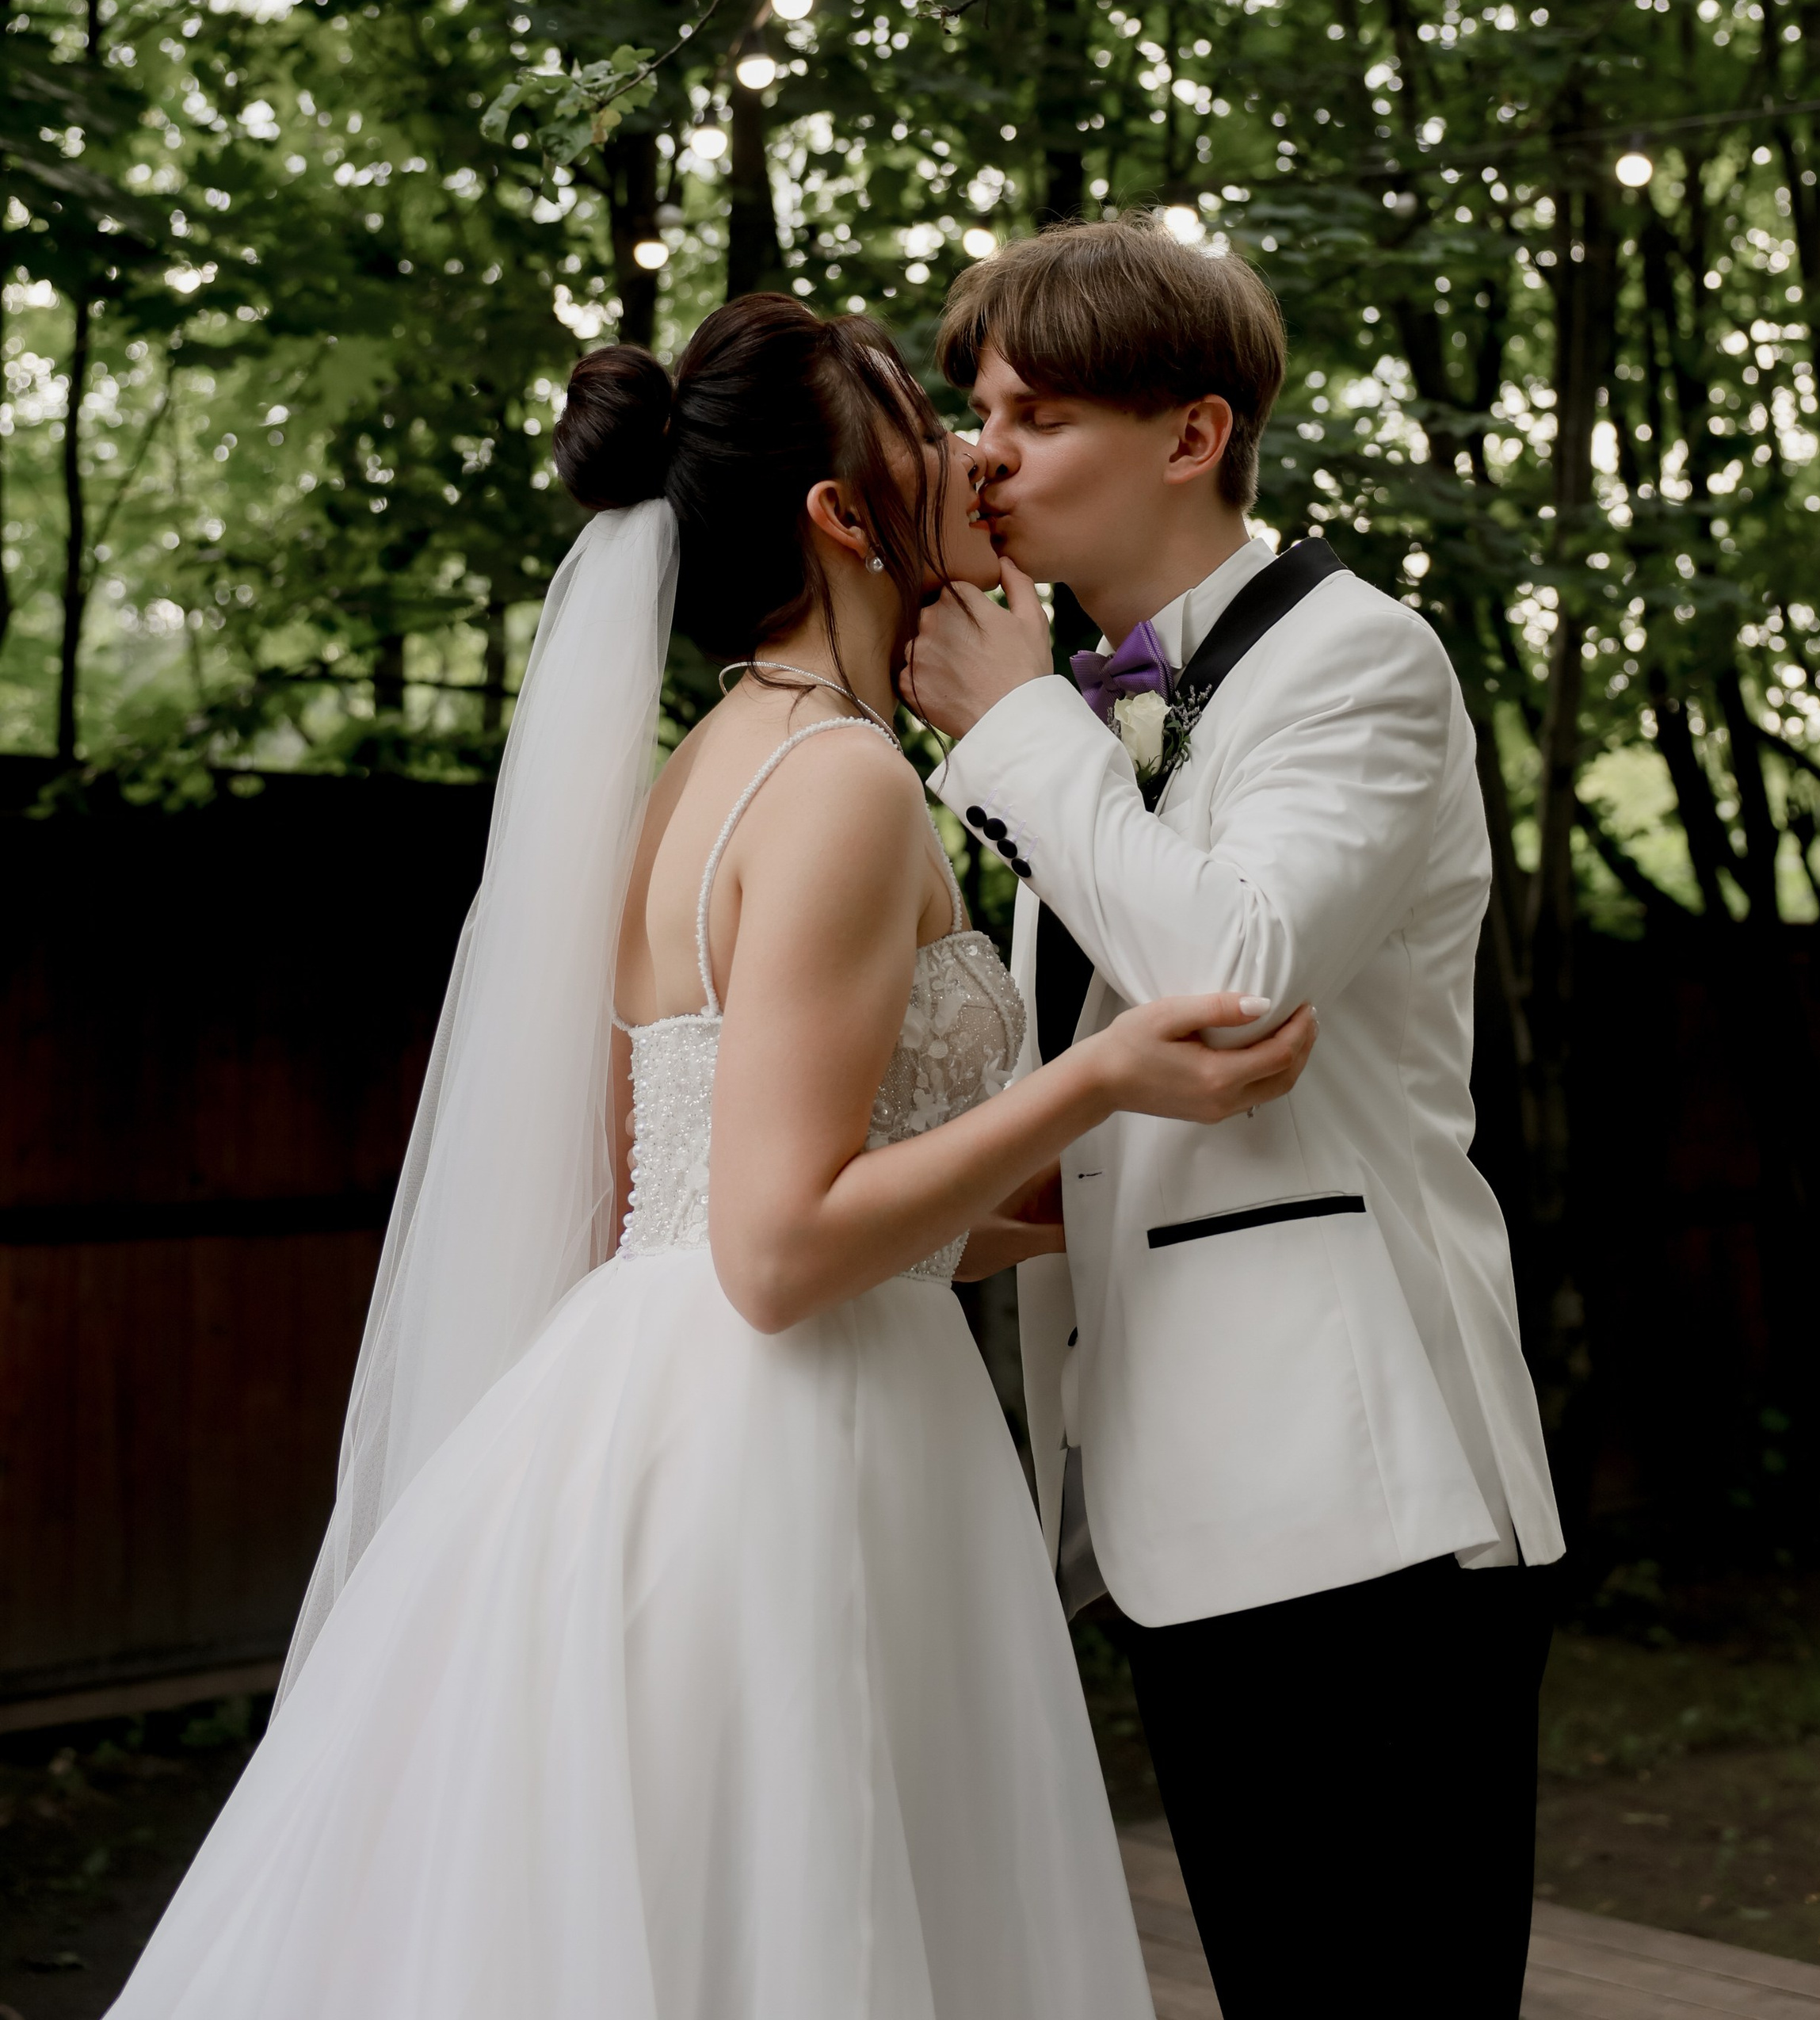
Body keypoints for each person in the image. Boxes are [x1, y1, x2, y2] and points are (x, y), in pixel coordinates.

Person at [109, 292, 1314, 2020]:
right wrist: (1098, 1080)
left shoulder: (695, 776)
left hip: (645, 1411)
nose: (968, 450)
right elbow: (770, 1246)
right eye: (915, 412)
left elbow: (699, 1196)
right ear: (839, 513)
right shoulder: (835, 784)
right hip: (796, 1447)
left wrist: (1074, 1213)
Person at [904, 216, 1565, 2020]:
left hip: (1359, 1502)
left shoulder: (1357, 658)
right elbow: (1122, 1118)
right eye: (979, 412)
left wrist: (1022, 730)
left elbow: (1238, 972)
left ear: (1189, 437)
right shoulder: (1099, 721)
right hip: (1168, 1509)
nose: (986, 455)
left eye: (1033, 415)